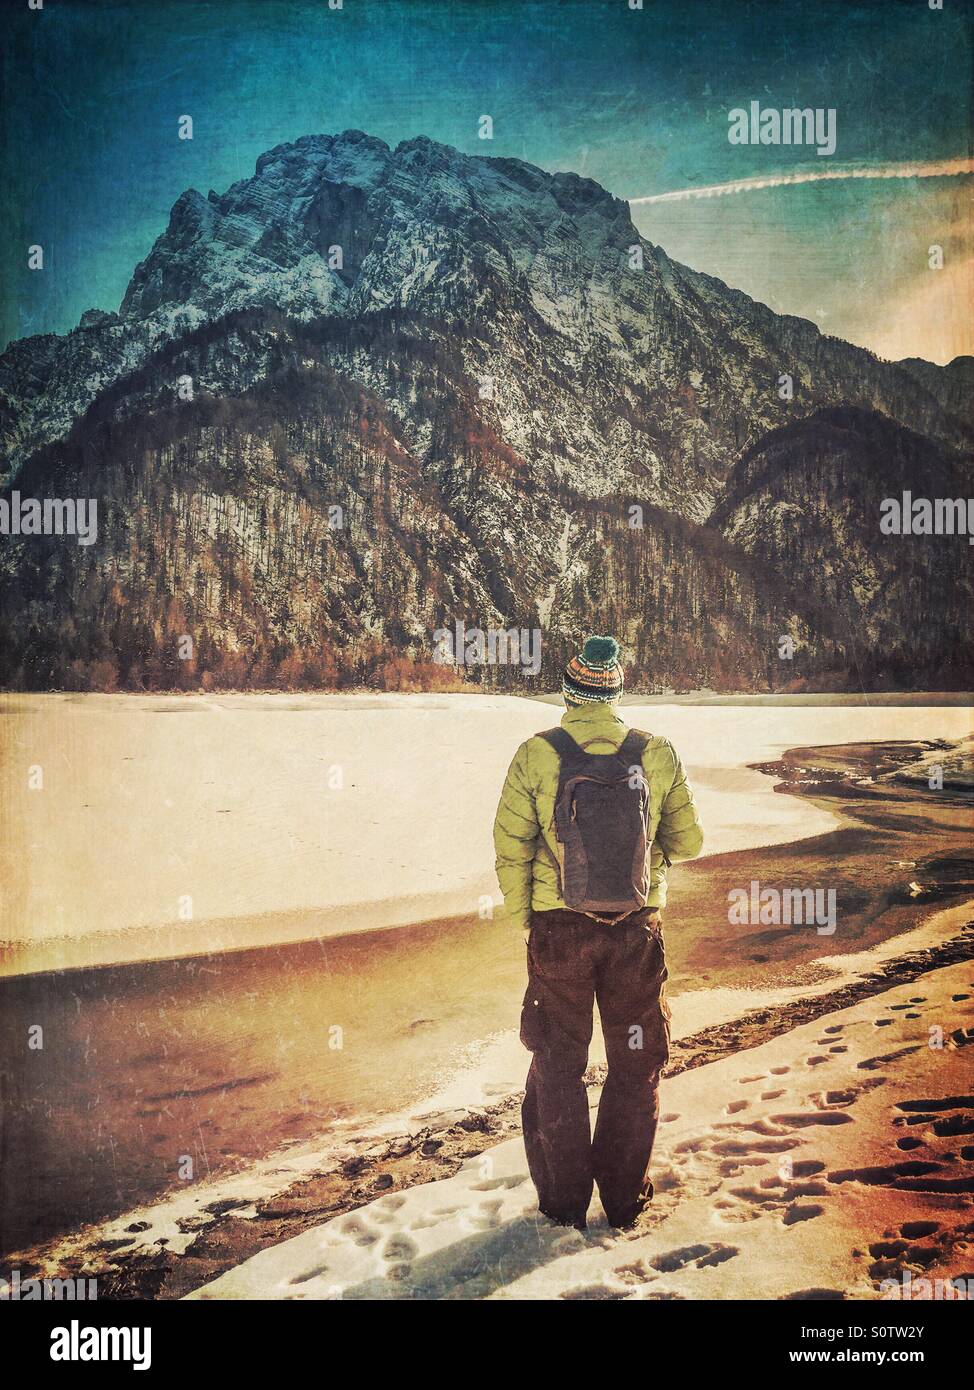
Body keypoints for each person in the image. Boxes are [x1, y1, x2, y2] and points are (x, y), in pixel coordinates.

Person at [492, 635, 703, 1229]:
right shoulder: (655, 752)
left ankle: (562, 1207)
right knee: (635, 1063)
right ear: (615, 692)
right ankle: (623, 1199)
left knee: (558, 1064)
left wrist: (525, 919)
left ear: (569, 693)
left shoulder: (536, 753)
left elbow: (511, 843)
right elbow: (689, 842)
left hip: (559, 933)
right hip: (635, 933)